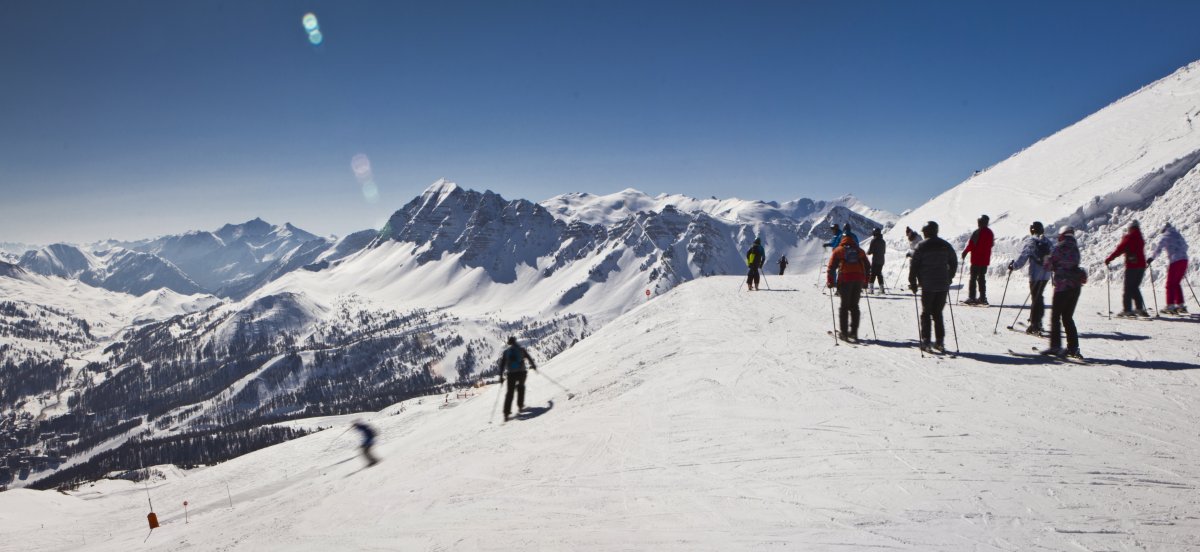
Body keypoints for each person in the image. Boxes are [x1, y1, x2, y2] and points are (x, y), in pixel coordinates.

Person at [909, 221, 958, 353]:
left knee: (926, 313)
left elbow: (914, 265)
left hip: (928, 285)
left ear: (926, 232)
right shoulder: (945, 245)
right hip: (943, 285)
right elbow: (954, 262)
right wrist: (949, 277)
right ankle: (940, 342)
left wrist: (912, 282)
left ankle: (926, 341)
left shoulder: (921, 246)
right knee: (937, 313)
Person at [1043, 226, 1085, 358]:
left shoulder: (1059, 247)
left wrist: (1047, 260)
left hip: (1062, 287)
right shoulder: (1075, 248)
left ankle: (1055, 347)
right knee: (1067, 317)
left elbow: (1048, 265)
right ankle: (1073, 348)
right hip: (1075, 287)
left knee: (1056, 316)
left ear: (1061, 235)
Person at [1007, 221, 1053, 334]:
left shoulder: (1031, 241)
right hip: (1046, 274)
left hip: (1035, 274)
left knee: (1035, 298)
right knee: (1039, 296)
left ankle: (1034, 324)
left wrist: (1014, 266)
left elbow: (1023, 257)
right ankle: (1038, 321)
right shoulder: (1048, 242)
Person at [827, 234, 870, 342]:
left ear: (843, 240)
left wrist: (830, 281)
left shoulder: (838, 250)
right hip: (859, 280)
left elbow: (831, 267)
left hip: (845, 280)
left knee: (844, 307)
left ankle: (844, 334)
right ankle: (854, 333)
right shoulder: (859, 251)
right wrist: (866, 281)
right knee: (855, 306)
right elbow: (868, 266)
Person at [1104, 220, 1149, 317]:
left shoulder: (1129, 237)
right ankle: (1139, 308)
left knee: (1128, 288)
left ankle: (1127, 310)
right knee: (1135, 287)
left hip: (1132, 266)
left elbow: (1120, 249)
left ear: (1131, 228)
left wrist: (1109, 259)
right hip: (1141, 266)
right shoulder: (1140, 237)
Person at [1149, 222, 1190, 314]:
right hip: (1184, 260)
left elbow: (1158, 249)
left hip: (1175, 261)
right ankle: (1181, 305)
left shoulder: (1165, 236)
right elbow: (1186, 246)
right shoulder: (1178, 235)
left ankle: (1170, 306)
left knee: (1170, 284)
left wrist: (1152, 258)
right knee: (1176, 283)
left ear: (1164, 229)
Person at [497, 337, 537, 421]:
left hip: (511, 374)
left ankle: (506, 413)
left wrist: (501, 377)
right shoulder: (521, 349)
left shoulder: (506, 352)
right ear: (515, 342)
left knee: (510, 393)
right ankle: (520, 406)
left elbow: (502, 365)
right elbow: (529, 358)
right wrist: (533, 366)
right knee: (521, 387)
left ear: (509, 343)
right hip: (522, 373)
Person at [961, 215, 994, 305]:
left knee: (973, 278)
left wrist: (965, 252)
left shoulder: (977, 232)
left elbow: (971, 244)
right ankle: (983, 298)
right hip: (984, 261)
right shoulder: (990, 233)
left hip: (976, 260)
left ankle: (972, 297)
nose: (978, 223)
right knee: (982, 279)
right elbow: (991, 245)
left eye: (979, 221)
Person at [866, 228, 887, 294]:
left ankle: (871, 289)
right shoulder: (883, 241)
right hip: (882, 260)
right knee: (879, 273)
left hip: (875, 260)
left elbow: (870, 251)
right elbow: (884, 251)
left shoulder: (874, 240)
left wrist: (868, 253)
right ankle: (882, 288)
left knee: (872, 274)